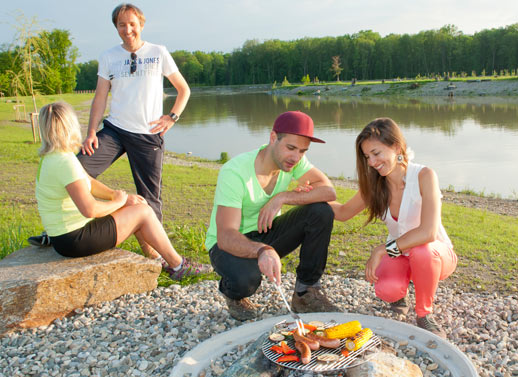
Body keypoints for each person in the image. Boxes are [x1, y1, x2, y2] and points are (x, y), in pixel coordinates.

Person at [31, 3, 191, 271]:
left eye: (131, 23)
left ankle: (155, 258)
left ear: (141, 23)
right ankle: (58, 230)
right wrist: (92, 131)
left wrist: (171, 118)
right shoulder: (108, 56)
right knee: (77, 168)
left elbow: (183, 90)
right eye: (121, 25)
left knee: (150, 198)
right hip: (115, 130)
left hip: (147, 134)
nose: (127, 30)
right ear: (115, 27)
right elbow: (101, 96)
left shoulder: (158, 53)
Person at [35, 101, 210, 280]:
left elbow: (88, 181)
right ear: (70, 126)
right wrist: (117, 202)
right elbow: (90, 210)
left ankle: (158, 259)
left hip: (64, 238)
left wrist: (120, 198)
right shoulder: (65, 163)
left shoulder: (53, 158)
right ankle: (178, 265)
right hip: (75, 240)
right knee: (142, 212)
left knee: (137, 206)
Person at [328, 118, 457, 338]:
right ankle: (401, 291)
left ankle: (424, 314)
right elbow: (342, 213)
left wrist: (381, 250)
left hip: (435, 254)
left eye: (376, 153)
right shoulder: (375, 185)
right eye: (367, 157)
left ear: (396, 147)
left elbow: (427, 232)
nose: (372, 162)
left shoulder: (425, 176)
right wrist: (309, 196)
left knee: (422, 251)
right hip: (401, 254)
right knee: (386, 289)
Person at [206, 111, 340, 321]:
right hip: (227, 244)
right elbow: (225, 236)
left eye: (303, 151)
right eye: (291, 148)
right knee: (247, 280)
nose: (296, 157)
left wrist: (282, 197)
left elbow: (329, 192)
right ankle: (232, 293)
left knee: (321, 211)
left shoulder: (292, 163)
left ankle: (305, 293)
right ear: (272, 138)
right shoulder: (235, 172)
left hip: (265, 231)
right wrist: (263, 250)